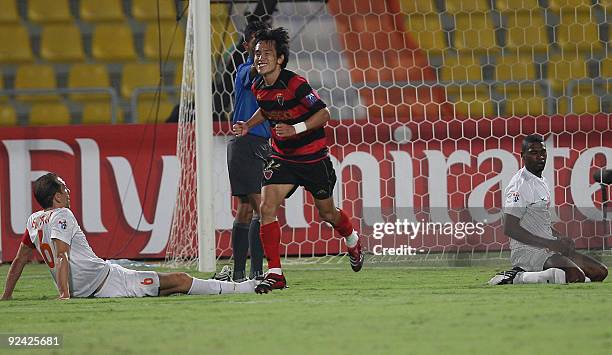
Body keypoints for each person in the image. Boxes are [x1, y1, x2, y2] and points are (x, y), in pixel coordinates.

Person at [232, 27, 364, 294]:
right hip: (283, 158)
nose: (260, 58)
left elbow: (323, 113)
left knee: (328, 214)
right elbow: (266, 109)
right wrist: (248, 124)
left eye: (266, 53)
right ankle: (275, 273)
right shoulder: (258, 85)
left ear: (280, 58)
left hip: (313, 159)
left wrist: (296, 129)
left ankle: (352, 238)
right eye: (257, 53)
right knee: (267, 208)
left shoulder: (295, 84)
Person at [1, 173, 259, 300]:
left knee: (156, 275)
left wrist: (7, 296)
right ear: (57, 196)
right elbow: (62, 256)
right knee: (179, 280)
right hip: (110, 282)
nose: (68, 191)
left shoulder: (33, 221)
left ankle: (227, 283)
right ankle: (243, 287)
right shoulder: (63, 214)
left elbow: (19, 261)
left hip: (102, 278)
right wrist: (65, 295)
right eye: (64, 187)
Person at [488, 135, 608, 285]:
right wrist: (549, 243)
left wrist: (559, 238)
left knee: (600, 272)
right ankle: (516, 276)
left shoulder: (541, 181)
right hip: (528, 251)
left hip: (547, 247)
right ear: (523, 156)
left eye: (543, 152)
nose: (540, 157)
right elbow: (510, 228)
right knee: (575, 276)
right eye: (533, 152)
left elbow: (539, 223)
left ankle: (553, 276)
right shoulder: (519, 185)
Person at [216, 20, 271, 283]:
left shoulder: (267, 75)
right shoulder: (246, 71)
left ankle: (240, 273)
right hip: (246, 144)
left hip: (257, 144)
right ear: (248, 44)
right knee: (262, 208)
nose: (262, 51)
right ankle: (258, 272)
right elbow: (259, 75)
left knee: (246, 209)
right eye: (258, 45)